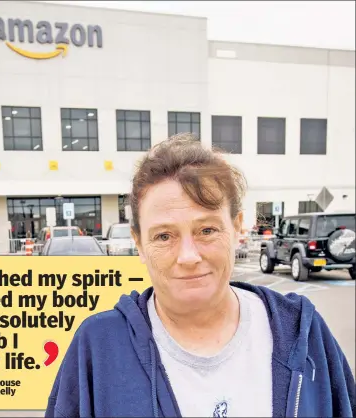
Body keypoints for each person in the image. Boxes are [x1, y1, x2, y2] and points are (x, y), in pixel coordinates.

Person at [45, 134, 355, 417]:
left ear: (237, 228)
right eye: (164, 236)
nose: (189, 256)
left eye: (207, 230)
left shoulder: (302, 331)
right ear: (139, 243)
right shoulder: (99, 347)